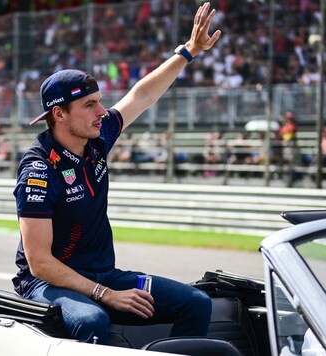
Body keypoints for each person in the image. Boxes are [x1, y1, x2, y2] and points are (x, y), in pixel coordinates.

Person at [12, 3, 221, 345]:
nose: (102, 111)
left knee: (195, 303)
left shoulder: (96, 136)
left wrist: (189, 51)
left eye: (99, 100)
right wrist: (104, 293)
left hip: (103, 274)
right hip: (47, 284)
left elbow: (141, 96)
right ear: (59, 115)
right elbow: (39, 264)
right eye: (89, 105)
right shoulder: (38, 169)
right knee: (92, 319)